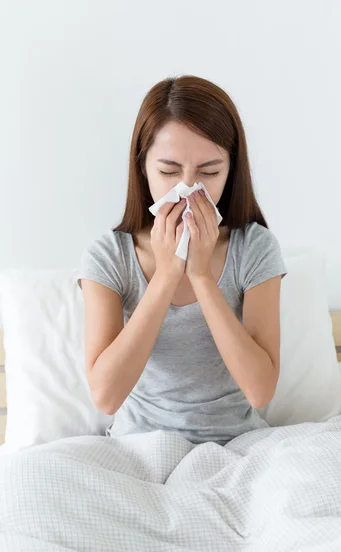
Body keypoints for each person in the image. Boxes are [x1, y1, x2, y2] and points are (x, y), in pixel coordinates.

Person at [77, 75, 287, 446]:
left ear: (231, 171)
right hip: (139, 446)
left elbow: (260, 392)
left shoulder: (255, 248)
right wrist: (166, 276)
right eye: (169, 171)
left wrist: (202, 277)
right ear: (142, 168)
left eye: (209, 172)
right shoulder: (109, 257)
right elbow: (106, 396)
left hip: (238, 445)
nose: (189, 189)